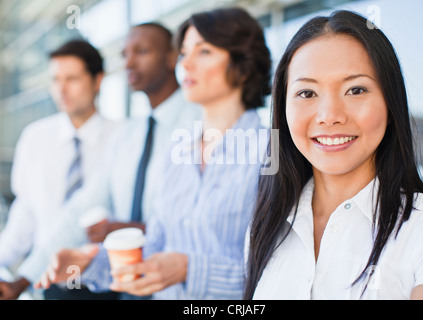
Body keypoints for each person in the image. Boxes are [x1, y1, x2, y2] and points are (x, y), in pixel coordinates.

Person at [37, 7, 272, 300]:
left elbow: (276, 274)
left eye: (204, 52)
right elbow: (155, 249)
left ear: (244, 63)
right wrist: (90, 263)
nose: (185, 65)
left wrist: (189, 268)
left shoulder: (270, 151)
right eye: (184, 54)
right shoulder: (179, 151)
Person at [244, 10, 423, 300]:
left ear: (390, 105)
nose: (330, 116)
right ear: (282, 109)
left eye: (355, 90)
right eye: (307, 93)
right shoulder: (265, 226)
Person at [8, 22, 201, 300]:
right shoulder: (128, 135)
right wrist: (24, 278)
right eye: (124, 55)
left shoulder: (202, 124)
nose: (129, 62)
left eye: (142, 51)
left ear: (173, 57)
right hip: (122, 288)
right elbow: (79, 210)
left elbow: (211, 223)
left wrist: (142, 231)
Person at [0, 40, 119, 300]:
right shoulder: (35, 138)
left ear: (97, 81)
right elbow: (25, 213)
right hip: (49, 280)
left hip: (110, 282)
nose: (61, 89)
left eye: (72, 79)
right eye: (55, 79)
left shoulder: (123, 138)